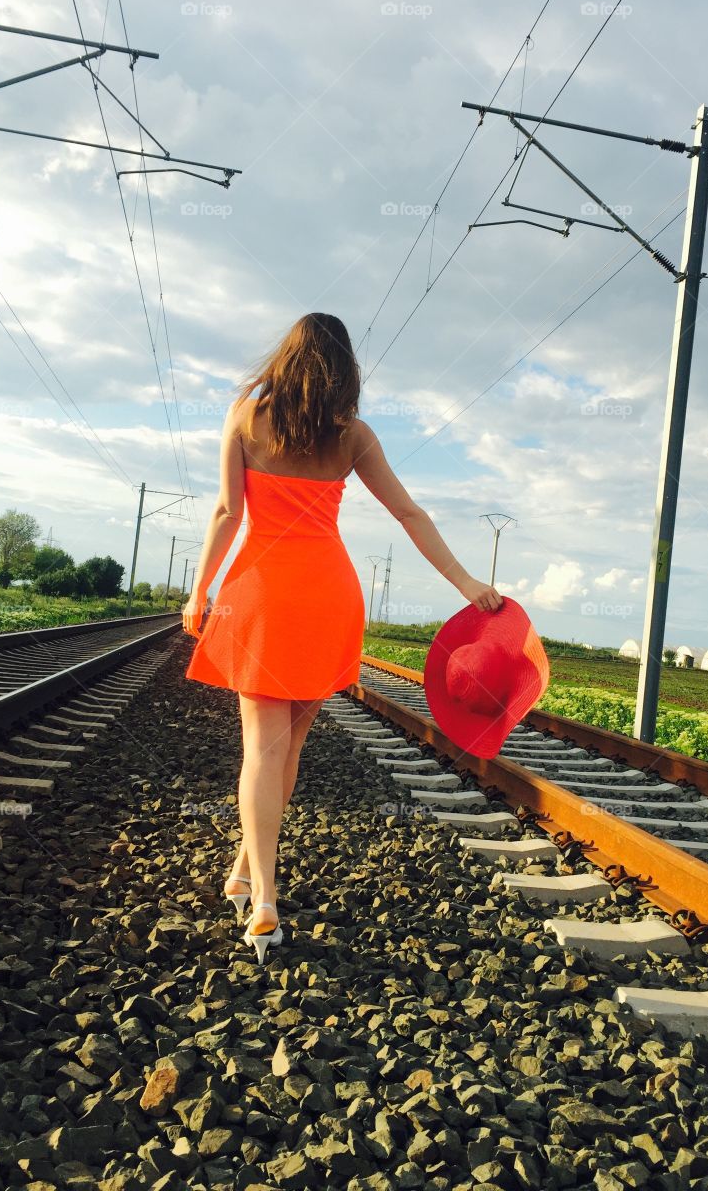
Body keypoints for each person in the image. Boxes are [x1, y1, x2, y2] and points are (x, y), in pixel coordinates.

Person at [181, 312, 502, 963]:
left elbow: (225, 511)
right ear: (344, 372)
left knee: (260, 749)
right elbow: (409, 513)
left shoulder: (246, 416)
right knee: (288, 743)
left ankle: (264, 896)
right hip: (328, 596)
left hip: (260, 595)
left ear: (286, 359)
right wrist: (468, 583)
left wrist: (200, 589)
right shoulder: (351, 435)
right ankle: (248, 872)